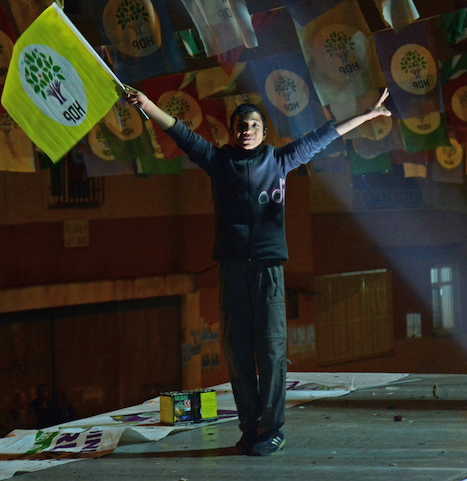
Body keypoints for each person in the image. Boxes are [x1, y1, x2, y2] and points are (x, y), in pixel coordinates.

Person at [126, 87, 391, 457]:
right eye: (241, 125)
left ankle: (272, 429)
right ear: (232, 131)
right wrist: (147, 104)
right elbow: (181, 133)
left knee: (270, 348)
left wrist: (367, 114)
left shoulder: (281, 160)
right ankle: (249, 428)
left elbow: (324, 135)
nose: (247, 130)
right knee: (237, 350)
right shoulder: (218, 161)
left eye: (254, 125)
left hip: (268, 268)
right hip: (232, 267)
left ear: (264, 133)